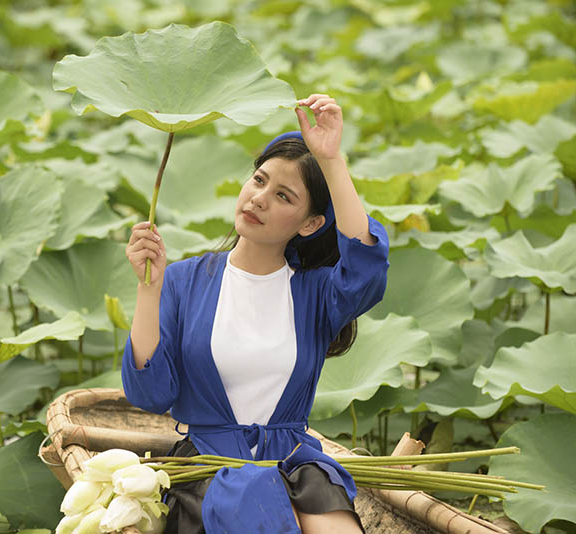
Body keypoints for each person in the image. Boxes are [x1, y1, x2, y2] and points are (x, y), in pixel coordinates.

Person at [122, 94, 390, 534]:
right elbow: (151, 394)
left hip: (295, 465)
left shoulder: (316, 293)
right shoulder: (185, 280)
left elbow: (366, 269)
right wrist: (149, 290)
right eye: (259, 180)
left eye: (283, 195)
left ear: (309, 224)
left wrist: (331, 160)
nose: (259, 198)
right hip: (209, 470)